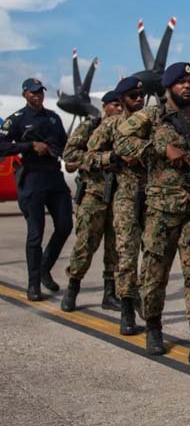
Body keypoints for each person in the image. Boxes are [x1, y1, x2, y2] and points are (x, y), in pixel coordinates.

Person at [115, 63, 190, 367]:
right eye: (181, 82)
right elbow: (122, 141)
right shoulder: (152, 116)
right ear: (169, 87)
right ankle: (153, 328)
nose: (187, 86)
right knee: (154, 273)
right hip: (161, 209)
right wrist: (160, 149)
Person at [0, 78, 72, 301]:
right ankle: (33, 285)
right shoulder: (16, 120)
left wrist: (56, 150)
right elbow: (2, 146)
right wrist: (30, 146)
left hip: (54, 177)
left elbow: (65, 143)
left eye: (40, 92)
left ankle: (44, 267)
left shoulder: (53, 118)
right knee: (35, 234)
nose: (38, 95)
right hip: (32, 178)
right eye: (33, 92)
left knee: (65, 225)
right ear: (25, 95)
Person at [91, 77, 147, 335]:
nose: (139, 100)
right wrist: (111, 157)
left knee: (154, 254)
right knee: (126, 256)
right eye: (133, 96)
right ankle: (126, 311)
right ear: (122, 100)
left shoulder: (154, 122)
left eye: (141, 95)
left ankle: (144, 297)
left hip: (154, 196)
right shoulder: (112, 125)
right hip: (125, 197)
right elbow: (87, 155)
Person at [60, 91, 123, 312]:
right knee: (85, 246)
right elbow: (69, 156)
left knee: (115, 248)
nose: (119, 108)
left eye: (121, 105)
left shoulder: (127, 129)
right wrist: (103, 159)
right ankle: (72, 289)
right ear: (105, 106)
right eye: (115, 105)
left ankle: (110, 294)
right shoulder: (90, 127)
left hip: (118, 197)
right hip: (94, 196)